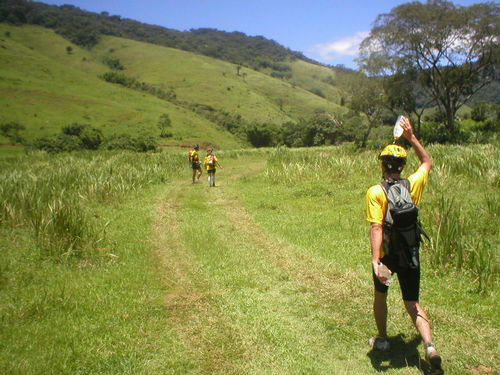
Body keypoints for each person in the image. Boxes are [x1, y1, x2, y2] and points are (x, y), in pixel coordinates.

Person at [365, 116, 443, 375]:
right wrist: (411, 137)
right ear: (401, 165)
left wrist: (376, 261)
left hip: (388, 255)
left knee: (381, 296)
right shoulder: (414, 183)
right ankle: (430, 347)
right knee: (412, 302)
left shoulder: (376, 191)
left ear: (383, 165)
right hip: (410, 252)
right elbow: (427, 162)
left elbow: (377, 227)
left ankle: (383, 340)